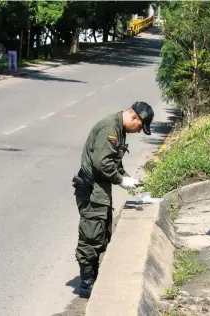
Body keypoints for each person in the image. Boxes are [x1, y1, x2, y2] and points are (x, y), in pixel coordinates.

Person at [72, 101, 154, 298]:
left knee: (101, 233)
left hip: (100, 189)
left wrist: (127, 177)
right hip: (92, 189)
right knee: (91, 235)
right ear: (134, 117)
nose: (139, 132)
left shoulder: (119, 128)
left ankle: (94, 275)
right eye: (140, 127)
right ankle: (86, 284)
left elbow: (113, 161)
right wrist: (120, 180)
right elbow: (102, 163)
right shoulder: (111, 128)